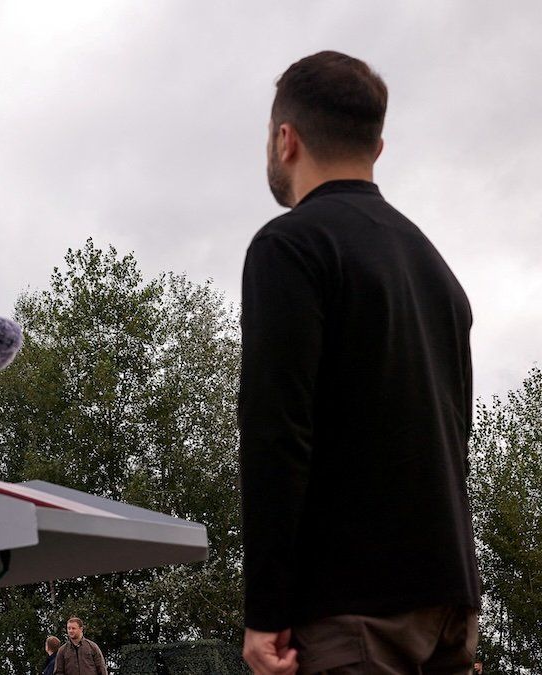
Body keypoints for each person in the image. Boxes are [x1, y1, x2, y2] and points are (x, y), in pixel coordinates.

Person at [239, 50, 481, 675]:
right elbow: (457, 435)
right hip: (449, 600)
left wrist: (265, 608)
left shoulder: (289, 246)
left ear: (285, 139)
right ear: (377, 146)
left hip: (355, 613)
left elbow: (276, 433)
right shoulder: (436, 269)